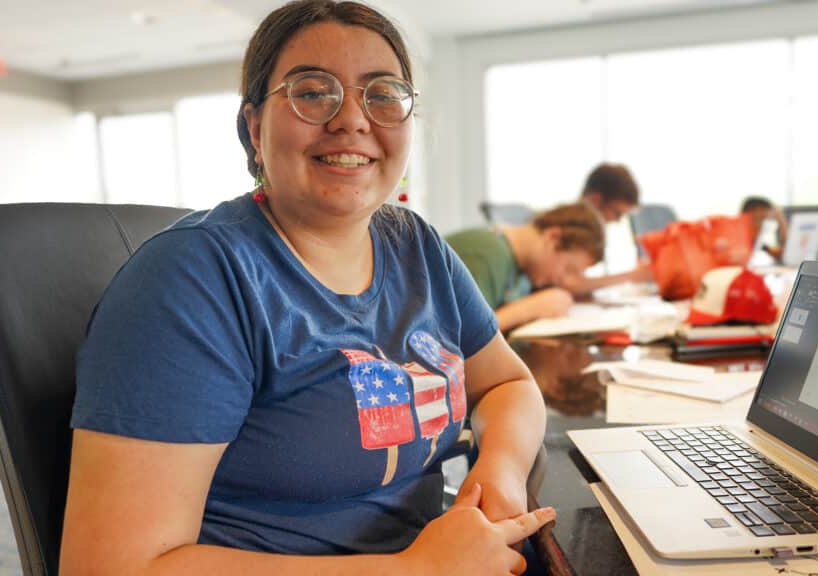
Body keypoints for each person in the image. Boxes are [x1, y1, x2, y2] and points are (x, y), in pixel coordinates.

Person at [59, 2, 554, 575]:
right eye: (313, 92)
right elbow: (108, 566)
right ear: (254, 128)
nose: (352, 119)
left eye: (383, 93)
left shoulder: (416, 245)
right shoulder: (193, 281)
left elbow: (509, 383)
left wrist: (501, 467)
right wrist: (411, 571)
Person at [446, 203, 604, 332]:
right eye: (568, 268)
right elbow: (461, 336)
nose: (562, 279)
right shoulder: (485, 256)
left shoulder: (520, 268)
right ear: (553, 238)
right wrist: (529, 308)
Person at [562, 162, 653, 295]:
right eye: (617, 213)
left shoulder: (584, 231)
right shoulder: (569, 228)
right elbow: (568, 283)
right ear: (595, 200)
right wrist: (632, 276)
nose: (616, 221)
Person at [740, 196, 788, 262]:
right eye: (760, 219)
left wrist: (781, 221)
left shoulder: (762, 246)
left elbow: (786, 254)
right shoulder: (740, 246)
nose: (761, 226)